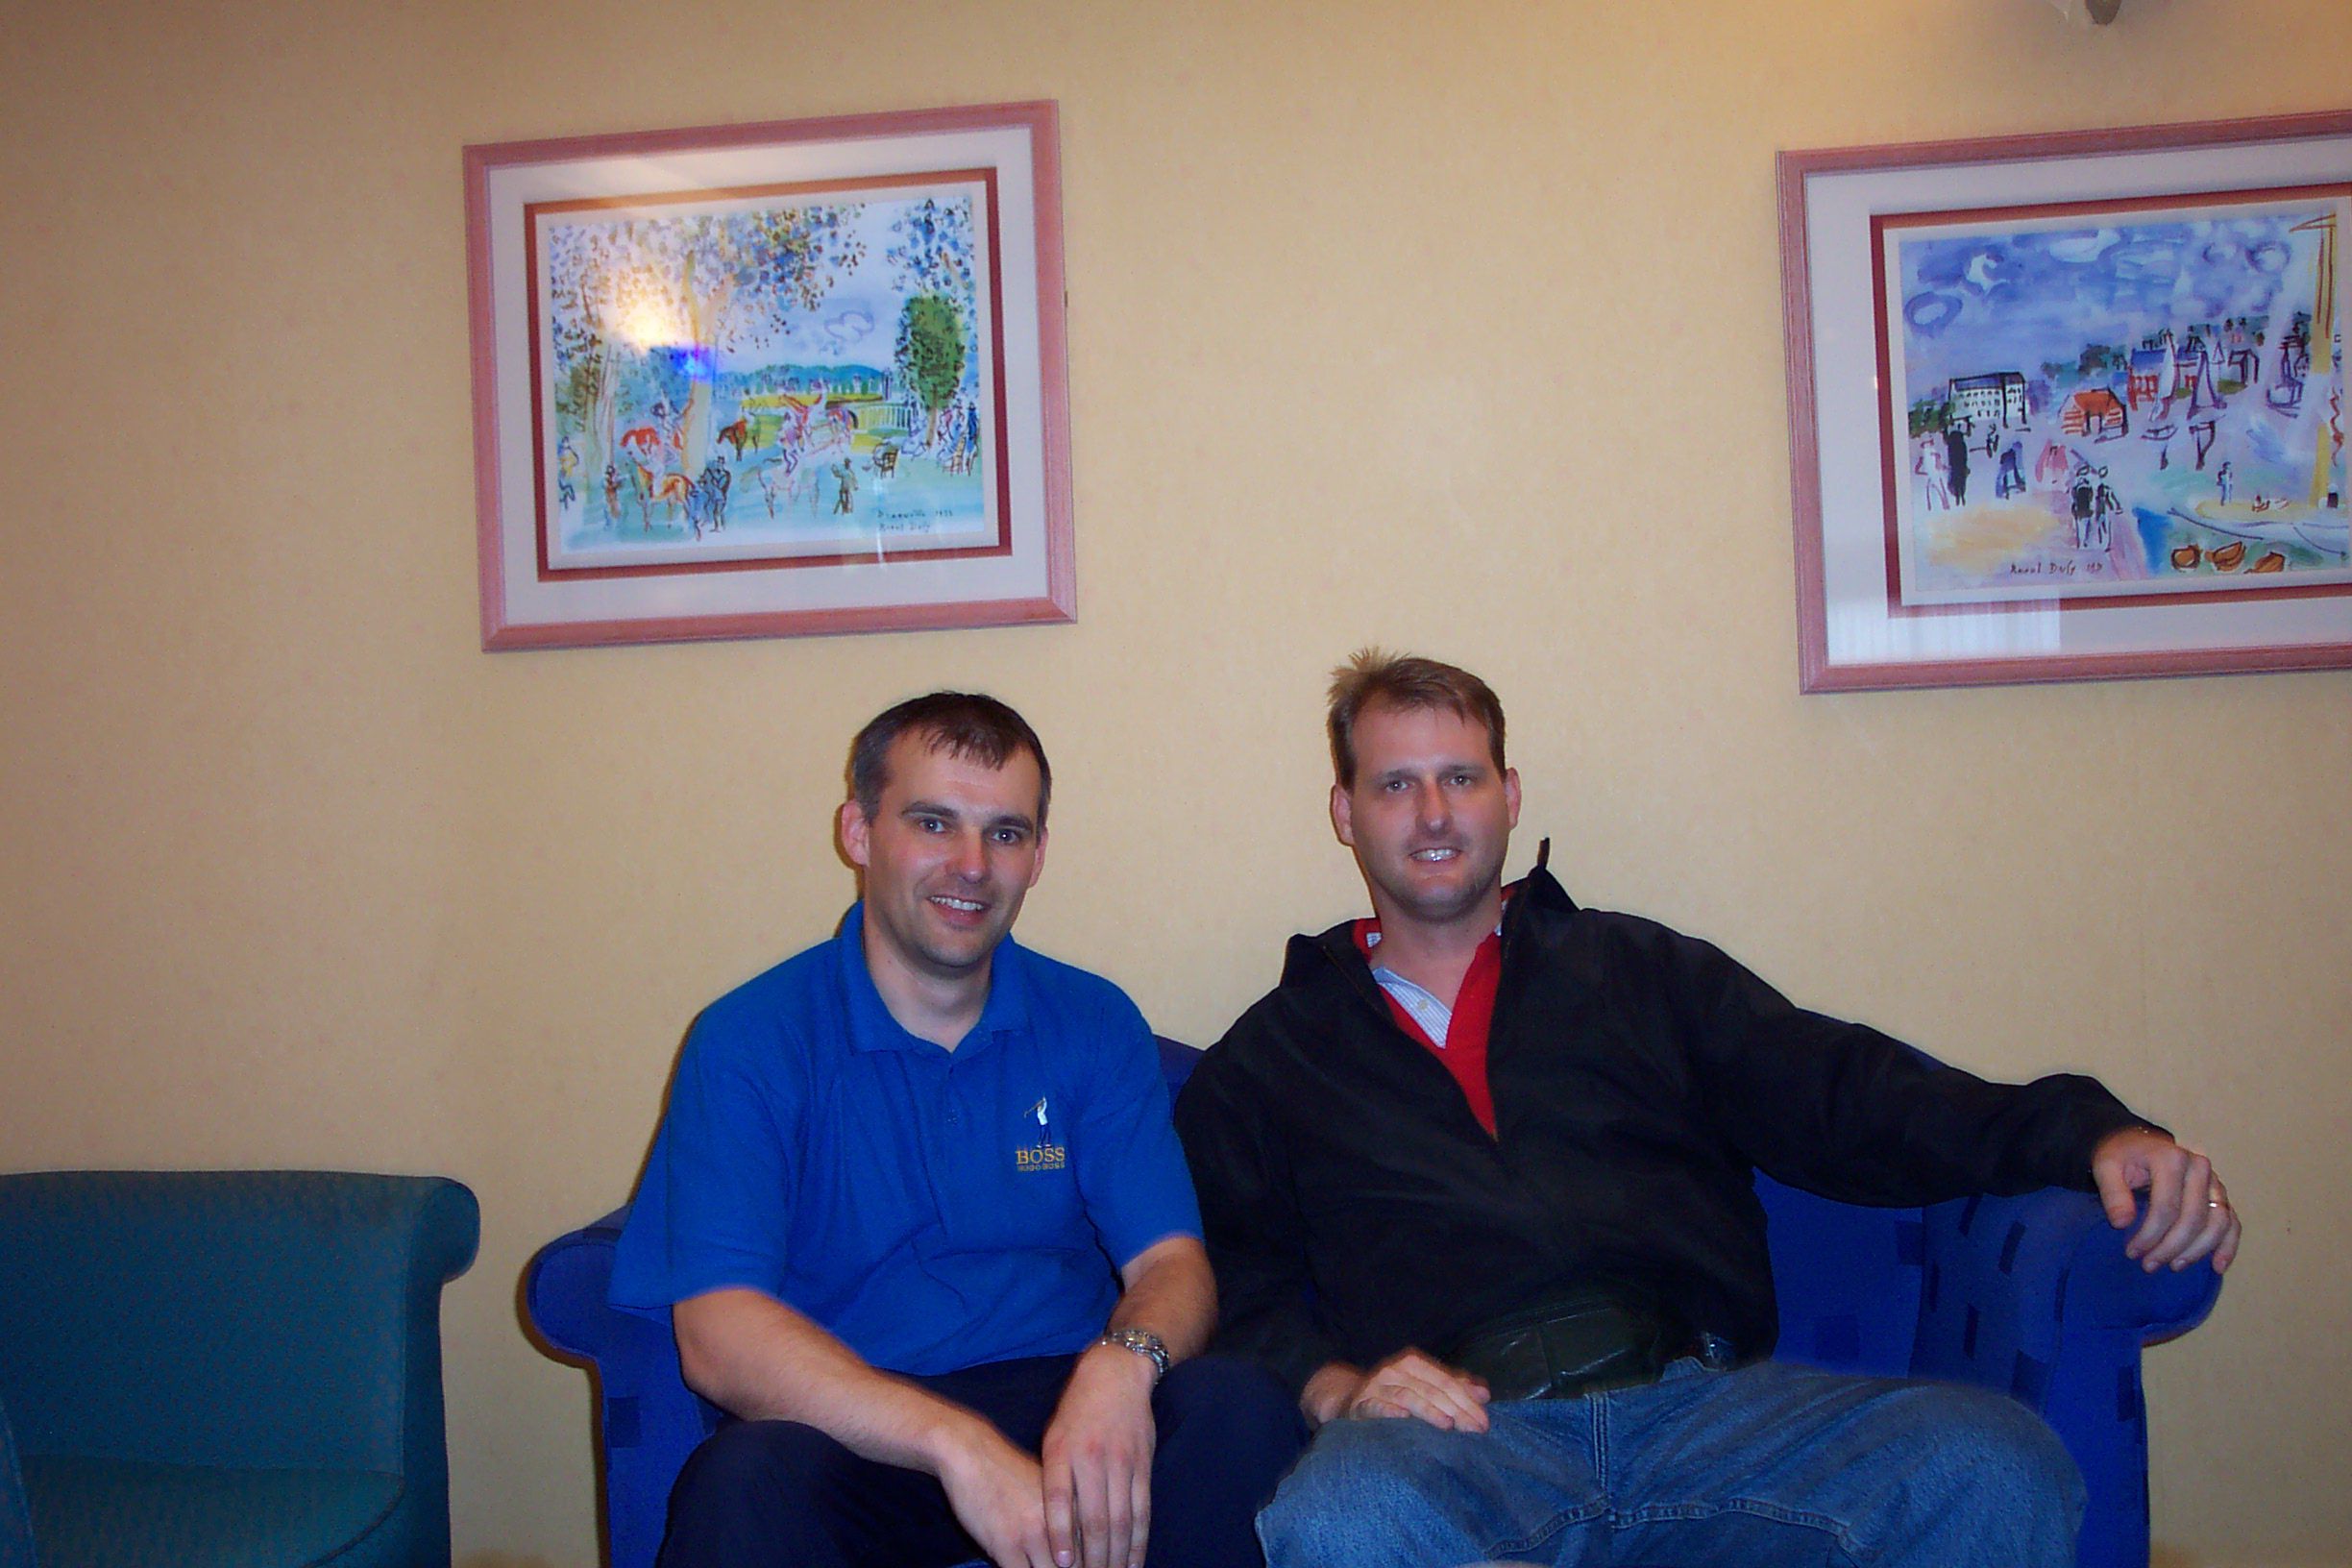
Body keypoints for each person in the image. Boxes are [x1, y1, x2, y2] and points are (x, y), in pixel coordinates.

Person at [1173, 651, 2240, 1568]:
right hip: (1458, 1443)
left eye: (1461, 776)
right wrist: (1337, 1388)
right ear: (1344, 812)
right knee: (1340, 1514)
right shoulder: (1273, 1057)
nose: (1436, 812)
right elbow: (1226, 1275)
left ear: (1511, 792)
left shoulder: (1639, 972)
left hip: (1708, 1414)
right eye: (1396, 785)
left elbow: (1852, 1094)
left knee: (1996, 1464)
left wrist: (2089, 1131)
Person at [613, 693, 1303, 1568]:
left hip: (1069, 1408)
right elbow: (717, 1335)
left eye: (1005, 833)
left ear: (1038, 856)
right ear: (859, 832)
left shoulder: (1093, 1023)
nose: (972, 865)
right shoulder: (750, 1040)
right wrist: (954, 1444)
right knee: (742, 1478)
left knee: (1237, 1407)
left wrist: (1123, 1364)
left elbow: (1172, 1263)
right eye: (934, 823)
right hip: (855, 1426)